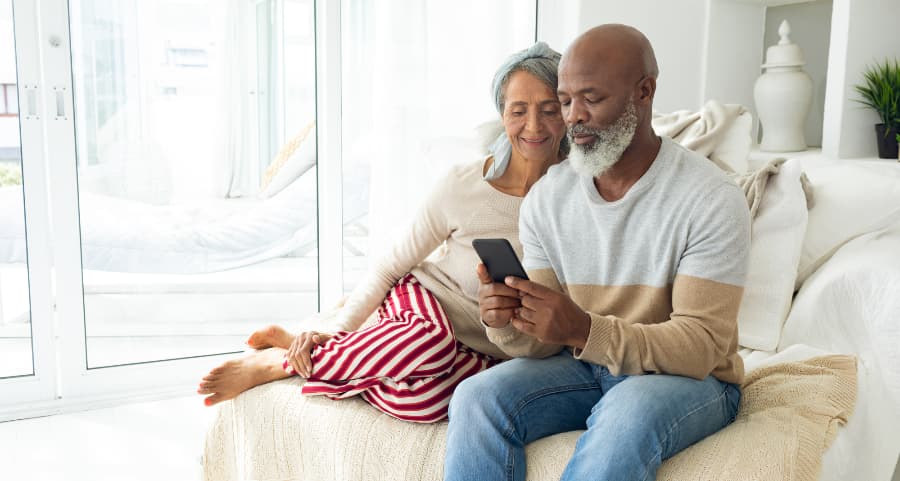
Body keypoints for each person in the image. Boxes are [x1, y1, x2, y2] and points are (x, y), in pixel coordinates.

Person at [197, 42, 567, 423]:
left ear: (568, 111)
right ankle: (280, 364)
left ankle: (313, 351)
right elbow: (389, 267)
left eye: (550, 109)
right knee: (431, 343)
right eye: (518, 110)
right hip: (425, 304)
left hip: (484, 347)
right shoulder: (463, 185)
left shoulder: (579, 197)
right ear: (503, 115)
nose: (534, 126)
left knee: (425, 402)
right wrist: (338, 332)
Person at [444, 24, 751, 480]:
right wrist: (505, 321)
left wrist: (585, 329)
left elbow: (701, 346)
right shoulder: (548, 198)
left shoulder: (710, 197)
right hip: (587, 367)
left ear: (643, 92)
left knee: (629, 408)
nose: (573, 117)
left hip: (693, 380)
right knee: (475, 398)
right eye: (566, 101)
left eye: (592, 98)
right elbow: (544, 341)